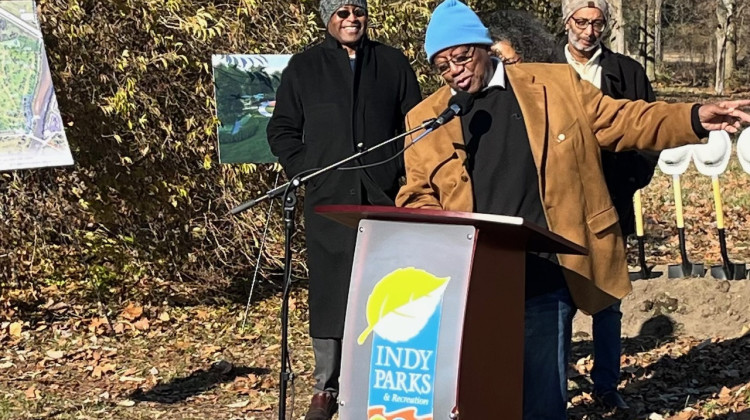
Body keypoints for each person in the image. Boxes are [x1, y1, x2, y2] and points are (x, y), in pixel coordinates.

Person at [395, 1, 750, 419]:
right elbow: (416, 193)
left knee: (543, 395)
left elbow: (625, 119)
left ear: (484, 47)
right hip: (475, 275)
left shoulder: (555, 84)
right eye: (442, 65)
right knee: (484, 389)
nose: (454, 70)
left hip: (546, 266)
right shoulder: (426, 117)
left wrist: (692, 116)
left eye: (460, 56)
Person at [265, 1, 422, 419]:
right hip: (329, 200)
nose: (351, 19)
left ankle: (379, 382)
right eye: (341, 12)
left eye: (358, 10)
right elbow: (280, 130)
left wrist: (400, 172)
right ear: (327, 19)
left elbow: (416, 125)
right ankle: (325, 388)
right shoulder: (304, 67)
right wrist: (309, 171)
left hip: (383, 198)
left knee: (385, 290)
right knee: (332, 292)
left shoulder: (392, 63)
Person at [562, 0, 657, 410]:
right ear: (567, 23)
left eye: (597, 23)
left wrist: (630, 179)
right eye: (581, 22)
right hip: (557, 200)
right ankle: (553, 379)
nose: (589, 30)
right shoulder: (544, 72)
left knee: (608, 296)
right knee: (557, 300)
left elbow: (650, 129)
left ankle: (606, 385)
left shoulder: (628, 72)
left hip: (610, 198)